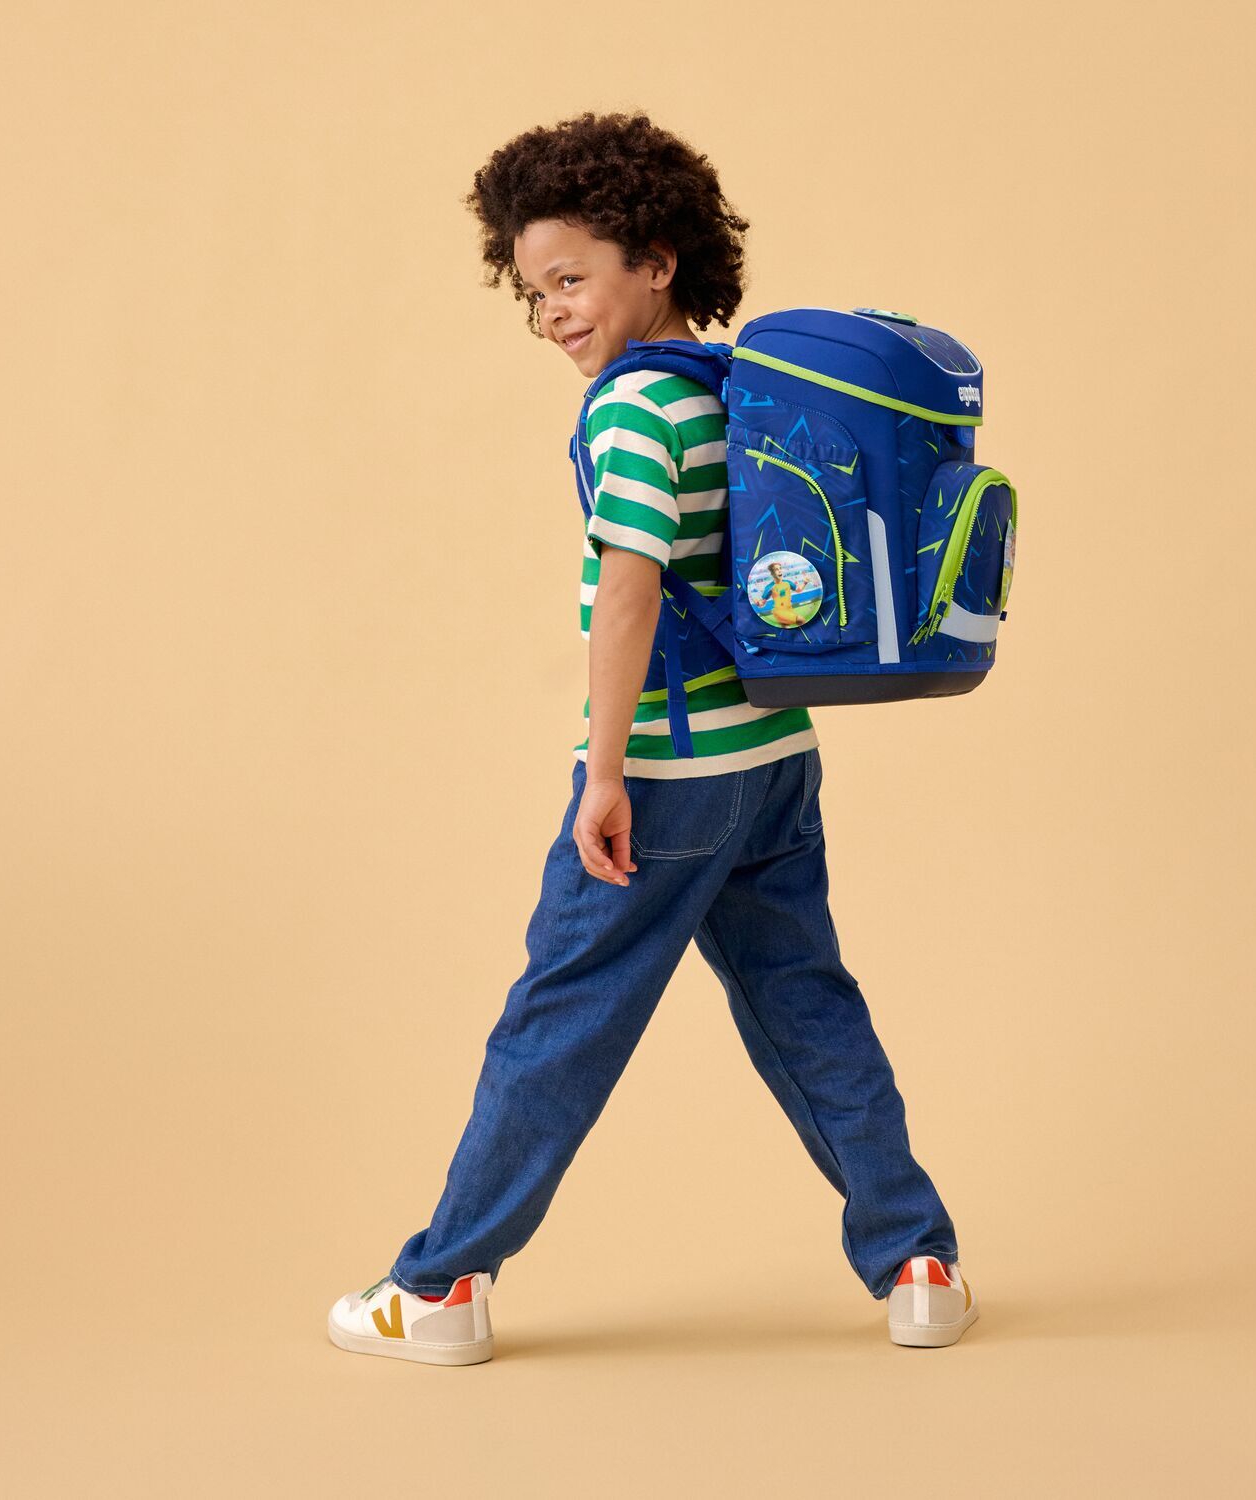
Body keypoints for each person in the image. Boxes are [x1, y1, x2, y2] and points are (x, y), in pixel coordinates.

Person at [328, 110, 973, 1366]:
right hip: (775, 758)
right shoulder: (738, 392)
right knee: (809, 1008)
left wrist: (606, 773)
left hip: (672, 772)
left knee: (560, 1018)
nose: (552, 314)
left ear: (658, 260)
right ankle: (919, 1262)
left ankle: (441, 1287)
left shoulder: (630, 412)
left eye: (572, 279)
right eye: (535, 294)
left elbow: (628, 592)